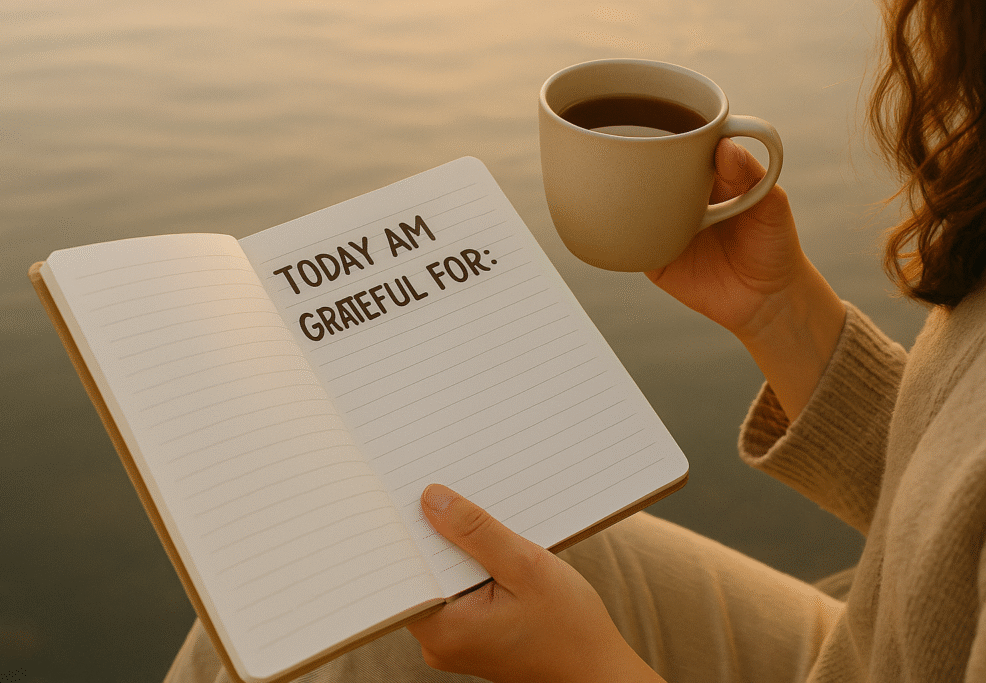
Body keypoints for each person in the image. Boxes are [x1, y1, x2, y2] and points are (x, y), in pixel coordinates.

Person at [165, 0, 986, 679]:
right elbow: (952, 502)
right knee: (352, 573)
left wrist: (583, 665)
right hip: (892, 637)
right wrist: (778, 309)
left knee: (364, 613)